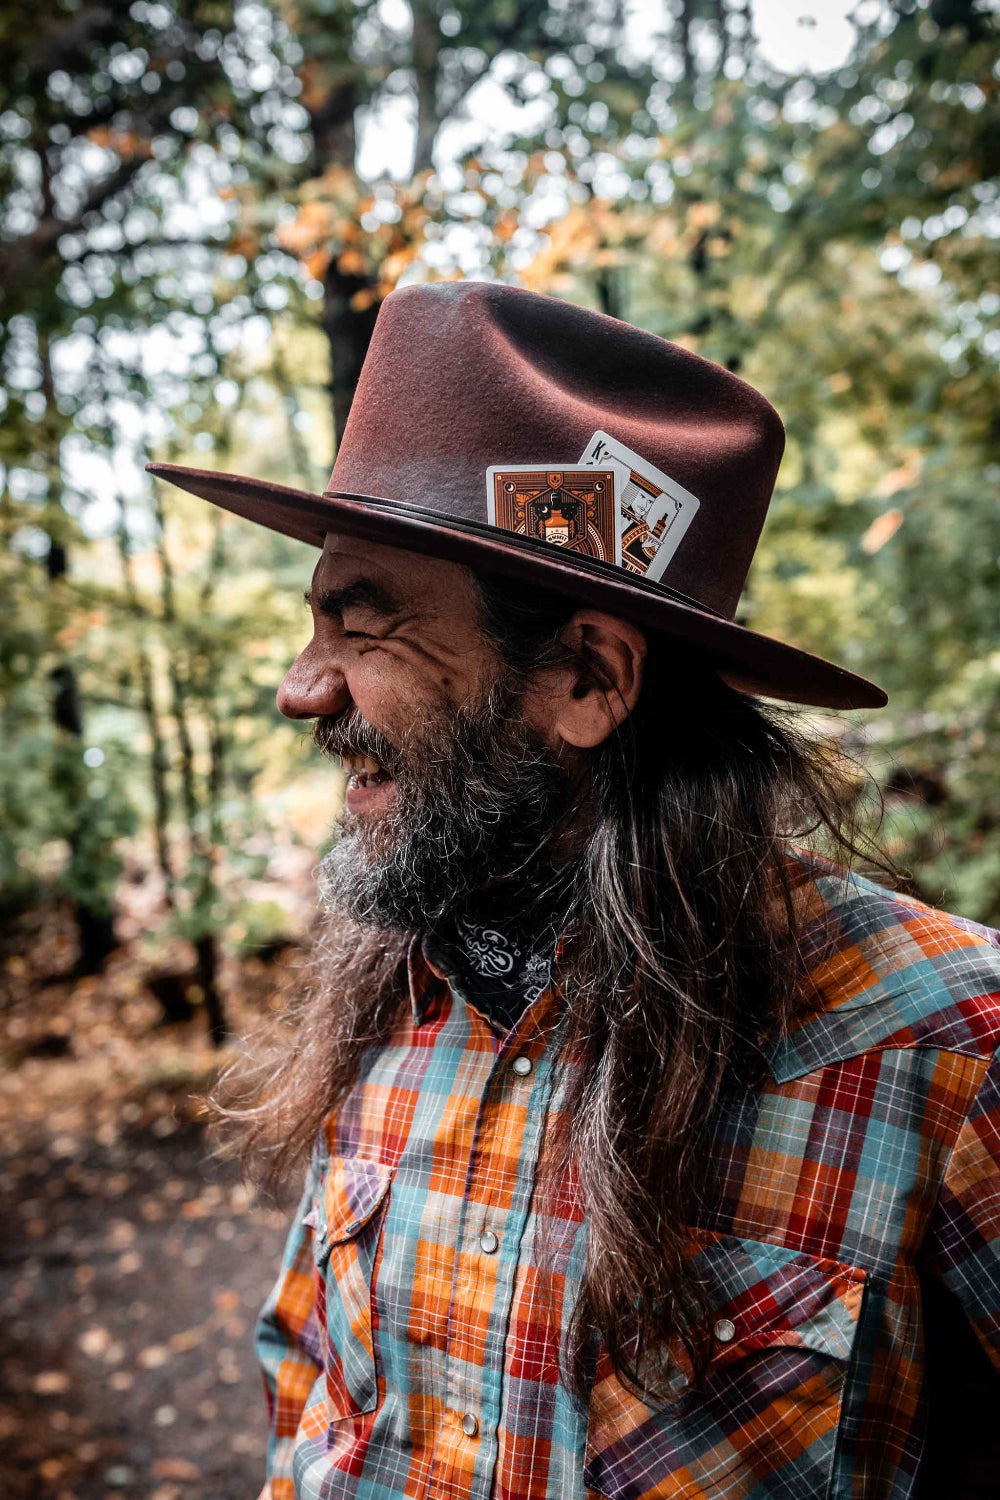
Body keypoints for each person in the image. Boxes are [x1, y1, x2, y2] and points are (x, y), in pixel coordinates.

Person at [150, 283, 1000, 1500]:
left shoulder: (952, 1044)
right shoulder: (390, 983)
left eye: (363, 625)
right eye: (311, 625)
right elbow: (309, 1383)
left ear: (588, 679)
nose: (302, 687)